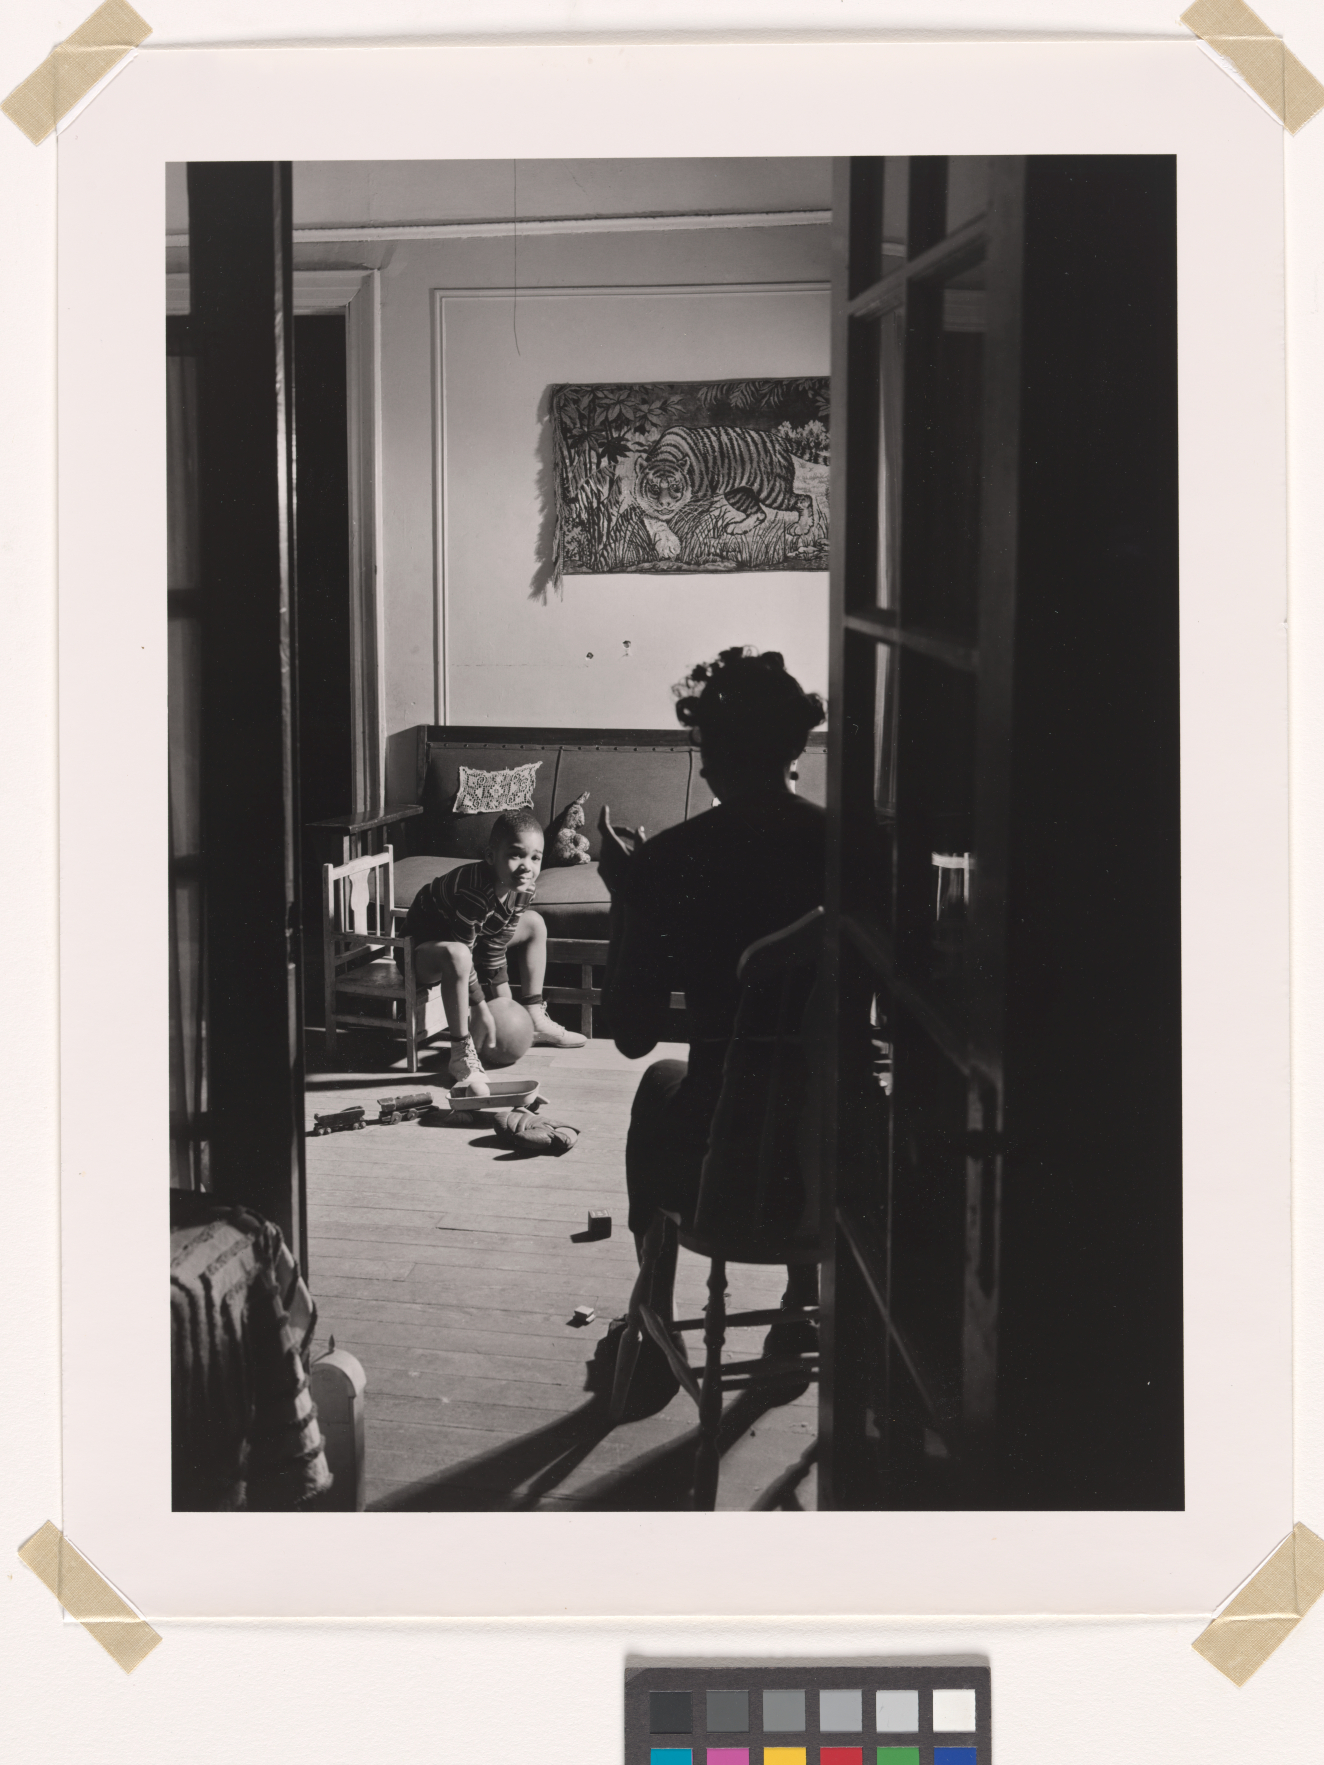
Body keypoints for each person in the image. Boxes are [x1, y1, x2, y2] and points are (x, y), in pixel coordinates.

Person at [600, 646, 827, 1349]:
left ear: (714, 754)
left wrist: (627, 903)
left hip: (723, 1152)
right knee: (802, 1083)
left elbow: (632, 1033)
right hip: (839, 1146)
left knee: (659, 1080)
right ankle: (802, 1301)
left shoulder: (669, 861)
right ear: (794, 746)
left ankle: (655, 1311)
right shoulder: (855, 847)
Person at [403, 807, 585, 1096]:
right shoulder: (475, 893)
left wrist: (507, 1008)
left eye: (535, 858)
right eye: (516, 855)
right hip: (421, 954)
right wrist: (481, 1008)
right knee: (458, 955)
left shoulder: (524, 888)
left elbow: (495, 945)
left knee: (534, 923)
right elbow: (464, 952)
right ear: (490, 856)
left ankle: (534, 1016)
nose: (527, 867)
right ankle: (460, 1052)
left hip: (468, 945)